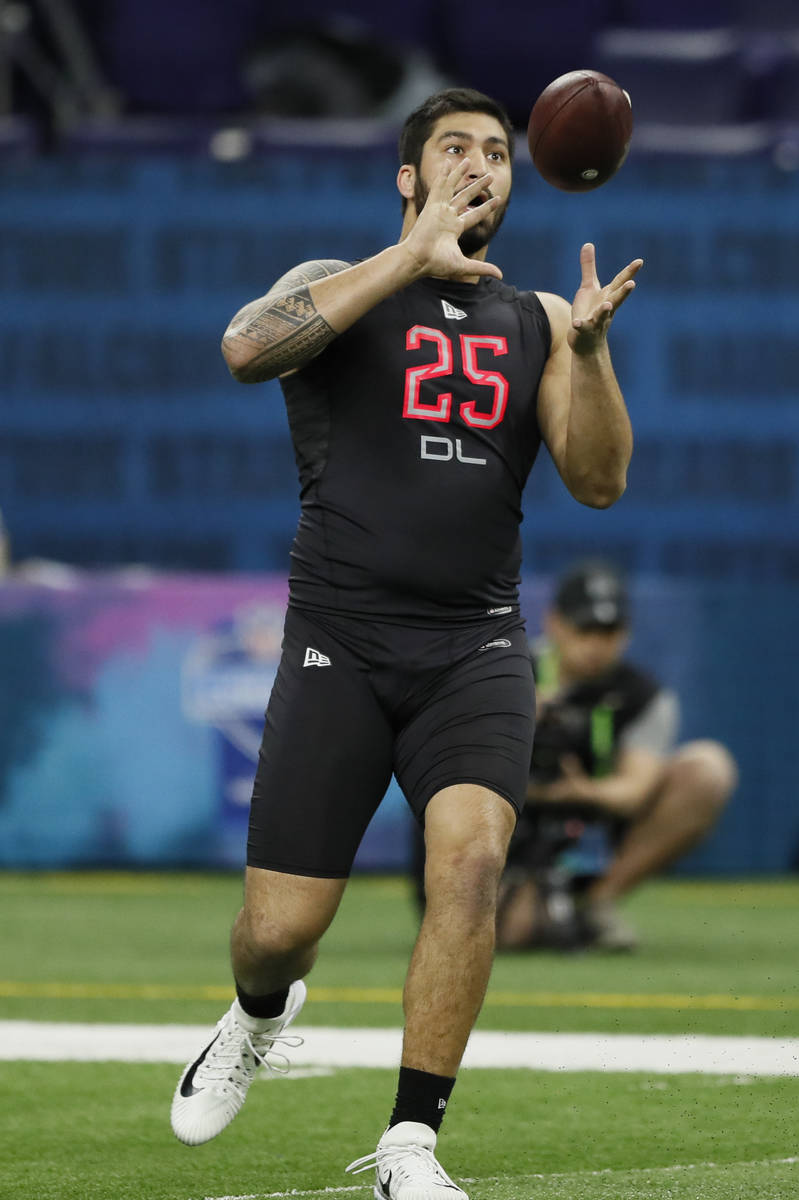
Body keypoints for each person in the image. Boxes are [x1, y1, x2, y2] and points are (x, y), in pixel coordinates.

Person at [169, 87, 642, 1199]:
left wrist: (592, 349)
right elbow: (244, 349)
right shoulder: (335, 285)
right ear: (408, 176)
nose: (481, 164)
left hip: (473, 645)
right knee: (279, 930)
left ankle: (410, 1144)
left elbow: (600, 480)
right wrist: (407, 259)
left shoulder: (533, 319)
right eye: (454, 150)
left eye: (495, 151)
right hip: (339, 636)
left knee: (470, 861)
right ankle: (257, 1011)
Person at [496, 560, 738, 952]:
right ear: (555, 622)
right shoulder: (508, 673)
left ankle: (596, 904)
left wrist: (578, 790)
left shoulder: (642, 695)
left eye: (609, 632)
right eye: (584, 629)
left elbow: (635, 792)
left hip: (595, 823)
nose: (596, 644)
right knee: (516, 933)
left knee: (709, 768)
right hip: (510, 820)